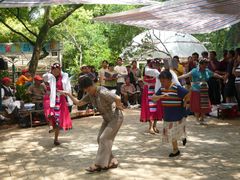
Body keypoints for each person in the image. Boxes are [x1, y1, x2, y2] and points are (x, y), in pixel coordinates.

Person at [59, 76, 124, 173]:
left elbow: (117, 97)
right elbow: (79, 103)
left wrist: (118, 105)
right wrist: (68, 94)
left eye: (89, 88)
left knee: (104, 138)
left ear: (93, 84)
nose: (88, 91)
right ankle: (112, 160)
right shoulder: (90, 94)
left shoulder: (102, 91)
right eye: (86, 90)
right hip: (106, 119)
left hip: (116, 118)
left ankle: (99, 165)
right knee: (100, 139)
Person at [152, 70, 190, 157]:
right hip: (168, 115)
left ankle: (175, 150)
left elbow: (188, 94)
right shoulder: (161, 89)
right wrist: (161, 96)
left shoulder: (177, 88)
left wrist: (186, 102)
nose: (162, 83)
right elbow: (153, 98)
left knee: (174, 132)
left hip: (178, 114)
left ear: (169, 79)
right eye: (161, 81)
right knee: (172, 132)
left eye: (164, 81)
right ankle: (182, 139)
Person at [178, 59, 223, 124]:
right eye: (205, 65)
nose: (206, 67)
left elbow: (214, 74)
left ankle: (202, 118)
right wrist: (177, 78)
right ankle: (197, 119)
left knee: (204, 104)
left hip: (204, 89)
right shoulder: (195, 70)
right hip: (196, 89)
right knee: (196, 104)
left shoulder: (207, 70)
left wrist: (221, 77)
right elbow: (186, 75)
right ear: (201, 64)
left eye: (206, 65)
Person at [43, 63, 73, 145]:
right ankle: (50, 126)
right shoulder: (48, 77)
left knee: (58, 120)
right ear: (51, 70)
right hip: (49, 98)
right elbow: (44, 77)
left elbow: (66, 88)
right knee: (49, 112)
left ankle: (56, 139)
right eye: (54, 70)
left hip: (60, 99)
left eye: (58, 70)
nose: (56, 71)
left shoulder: (63, 78)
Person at [140, 60, 163, 134]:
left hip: (156, 91)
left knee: (156, 108)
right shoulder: (147, 70)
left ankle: (155, 126)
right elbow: (144, 80)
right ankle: (150, 127)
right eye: (154, 63)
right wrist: (152, 81)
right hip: (149, 90)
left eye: (157, 63)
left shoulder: (159, 71)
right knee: (151, 108)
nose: (156, 65)